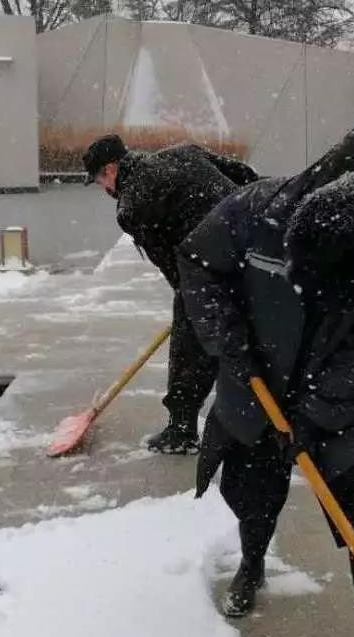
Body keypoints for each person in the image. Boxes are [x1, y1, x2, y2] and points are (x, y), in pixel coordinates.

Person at [175, 130, 354, 637]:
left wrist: (314, 416)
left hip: (342, 402)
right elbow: (199, 262)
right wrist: (228, 344)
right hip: (257, 378)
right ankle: (252, 561)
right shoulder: (259, 209)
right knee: (252, 490)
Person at [83, 134, 259, 454]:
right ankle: (279, 419)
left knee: (189, 346)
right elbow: (245, 175)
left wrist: (189, 302)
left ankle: (181, 431)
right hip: (257, 245)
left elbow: (173, 264)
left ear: (110, 169)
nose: (102, 189)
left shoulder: (132, 205)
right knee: (261, 339)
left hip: (215, 261)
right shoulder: (182, 152)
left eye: (98, 180)